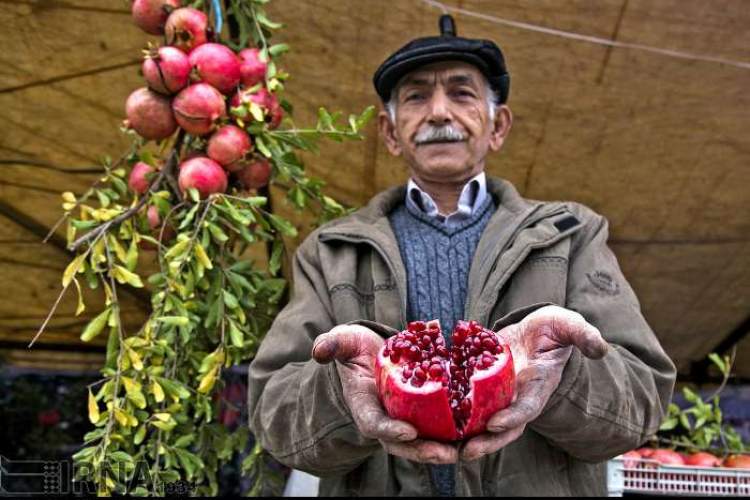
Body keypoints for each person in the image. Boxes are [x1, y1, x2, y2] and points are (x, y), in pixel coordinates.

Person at [248, 15, 676, 496]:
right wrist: (341, 395)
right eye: (415, 96)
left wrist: (560, 376)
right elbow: (273, 416)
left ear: (499, 125)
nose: (438, 112)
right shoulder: (330, 253)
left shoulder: (572, 235)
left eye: (461, 93)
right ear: (389, 132)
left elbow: (642, 402)